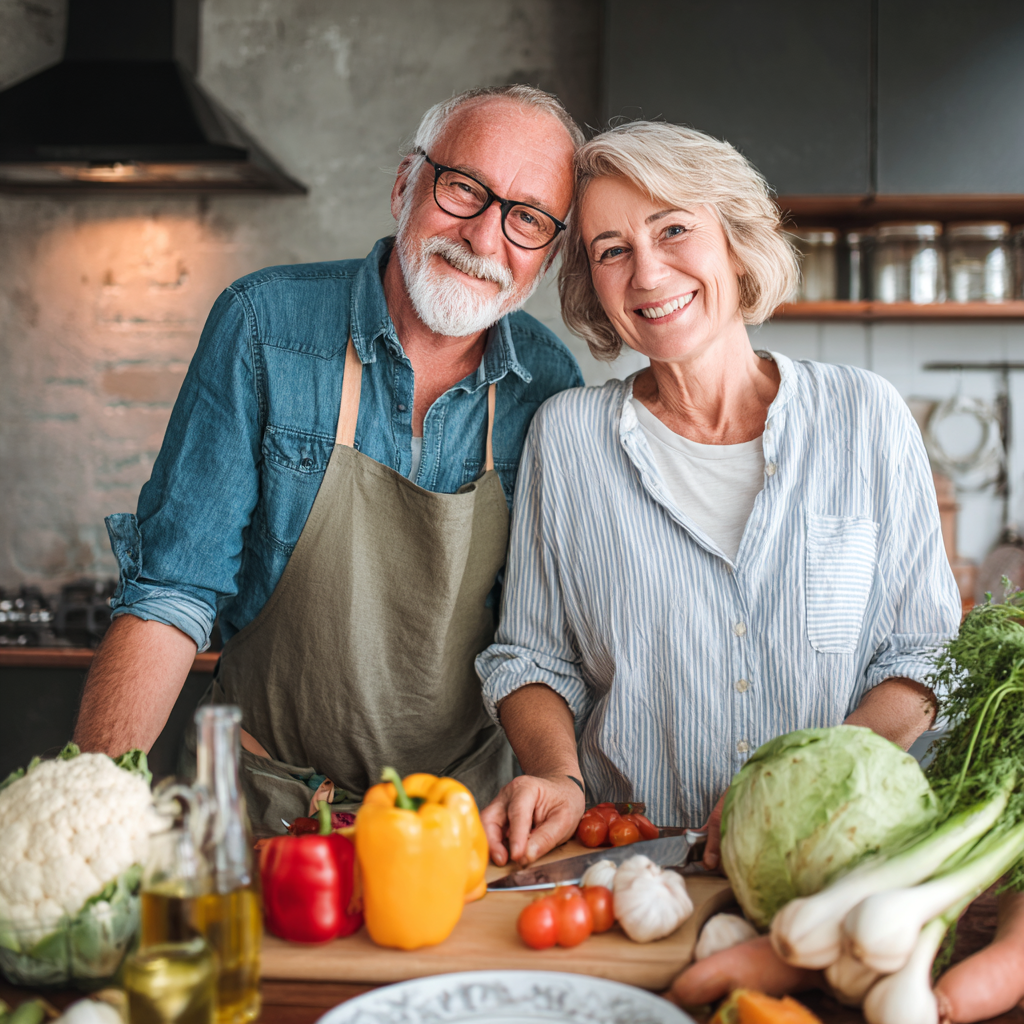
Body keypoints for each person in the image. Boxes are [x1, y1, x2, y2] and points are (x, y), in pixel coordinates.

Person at [73, 85, 585, 832]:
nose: (484, 237)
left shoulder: (550, 386)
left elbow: (535, 643)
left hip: (457, 830)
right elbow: (171, 595)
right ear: (405, 184)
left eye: (527, 217)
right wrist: (88, 812)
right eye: (464, 188)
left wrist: (557, 774)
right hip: (259, 815)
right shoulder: (263, 327)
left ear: (550, 251)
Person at [476, 120, 961, 870]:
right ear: (593, 285)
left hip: (835, 853)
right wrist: (554, 774)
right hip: (635, 860)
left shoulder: (865, 415)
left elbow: (924, 653)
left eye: (673, 229)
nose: (647, 274)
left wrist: (802, 789)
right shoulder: (567, 438)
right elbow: (531, 658)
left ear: (735, 240)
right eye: (612, 251)